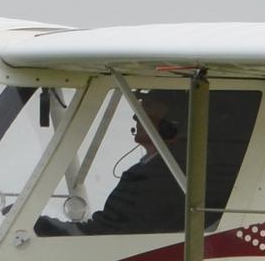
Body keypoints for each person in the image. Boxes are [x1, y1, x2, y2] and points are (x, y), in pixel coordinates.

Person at [36, 92, 188, 236]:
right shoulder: (157, 168)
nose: (136, 116)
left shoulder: (163, 174)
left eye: (147, 107)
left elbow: (109, 230)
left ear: (172, 124)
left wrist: (43, 227)